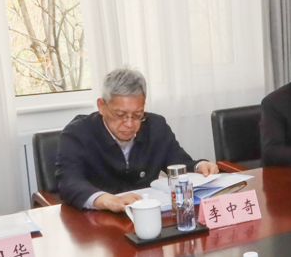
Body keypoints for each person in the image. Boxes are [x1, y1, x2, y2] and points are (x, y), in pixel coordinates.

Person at [54, 67, 217, 211]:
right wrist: (105, 200)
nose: (129, 124)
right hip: (97, 219)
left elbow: (178, 162)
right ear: (102, 106)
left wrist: (199, 166)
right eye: (120, 115)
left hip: (147, 214)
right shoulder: (77, 134)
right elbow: (69, 182)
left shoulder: (156, 126)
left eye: (138, 115)